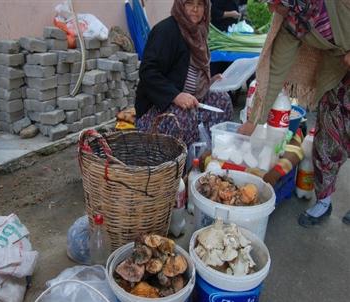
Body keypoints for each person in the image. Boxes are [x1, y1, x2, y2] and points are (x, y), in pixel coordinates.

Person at [239, 0, 350, 227]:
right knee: (328, 138)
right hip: (337, 74)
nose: (272, 9)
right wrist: (254, 121)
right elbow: (276, 73)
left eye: (275, 3)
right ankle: (324, 200)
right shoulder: (294, 20)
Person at [135, 0, 233, 147]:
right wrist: (175, 95)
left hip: (190, 100)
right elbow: (148, 72)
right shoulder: (166, 31)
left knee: (222, 100)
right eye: (189, 3)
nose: (195, 9)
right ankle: (181, 163)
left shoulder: (200, 31)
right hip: (158, 108)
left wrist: (209, 81)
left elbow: (190, 73)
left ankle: (207, 153)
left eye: (200, 4)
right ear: (180, 5)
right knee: (184, 115)